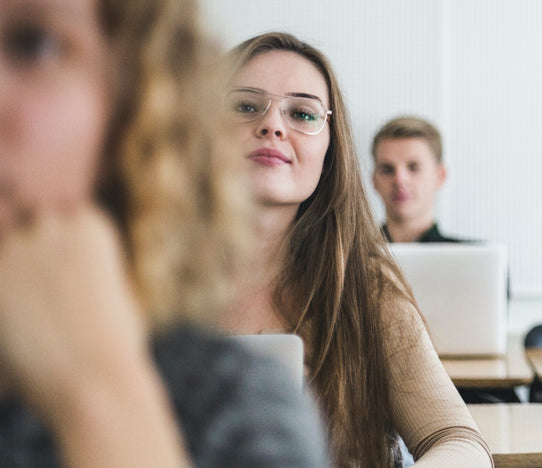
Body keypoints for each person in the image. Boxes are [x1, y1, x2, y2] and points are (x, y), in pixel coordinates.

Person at [0, 1, 326, 466]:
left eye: (34, 45)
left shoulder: (229, 409)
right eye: (248, 107)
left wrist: (100, 395)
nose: (272, 127)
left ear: (140, 105)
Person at [218, 32, 491, 467]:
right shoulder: (137, 278)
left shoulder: (365, 287)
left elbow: (458, 439)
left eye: (303, 113)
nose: (272, 125)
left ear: (329, 151)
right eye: (246, 105)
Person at [371, 116, 468, 243]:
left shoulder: (478, 258)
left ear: (440, 176)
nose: (400, 180)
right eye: (387, 169)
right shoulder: (345, 257)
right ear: (374, 180)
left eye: (414, 167)